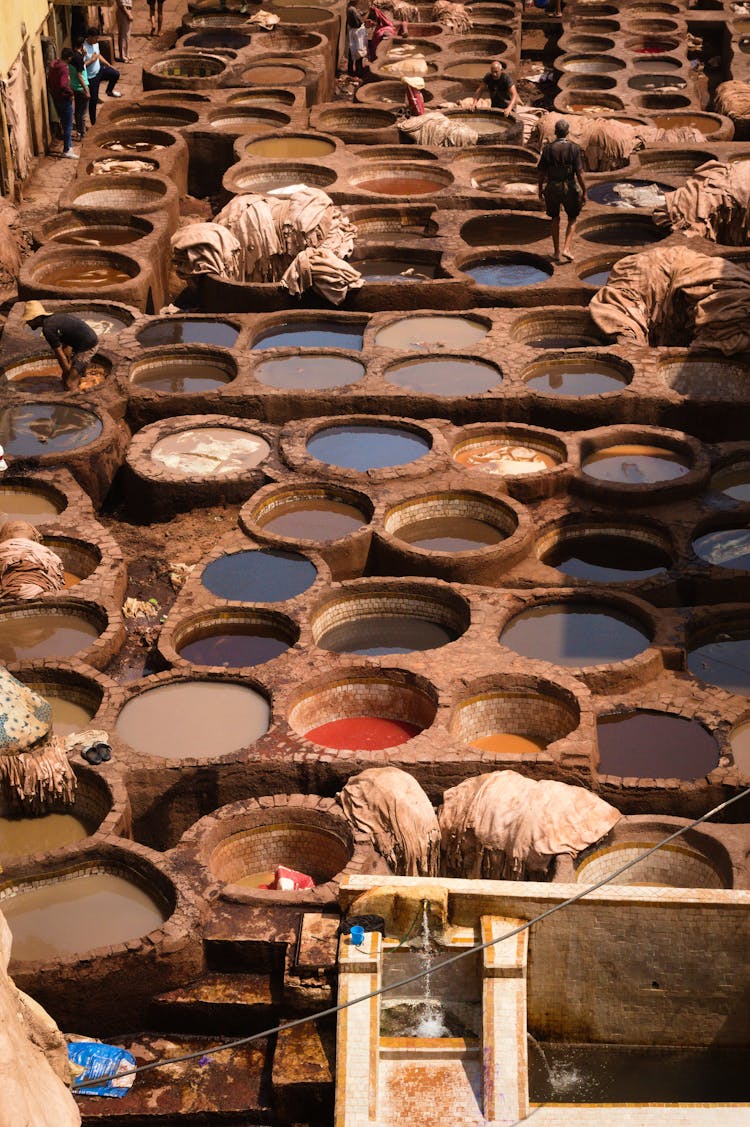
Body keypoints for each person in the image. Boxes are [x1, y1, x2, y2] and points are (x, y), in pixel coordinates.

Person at [537, 118, 586, 263]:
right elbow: (580, 172)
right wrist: (585, 191)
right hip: (570, 187)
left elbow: (541, 173)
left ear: (555, 132)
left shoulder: (547, 149)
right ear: (568, 132)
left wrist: (540, 189)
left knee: (555, 218)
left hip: (552, 188)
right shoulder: (574, 148)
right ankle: (566, 248)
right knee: (572, 218)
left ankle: (557, 252)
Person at [22, 302, 99, 391]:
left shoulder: (48, 329)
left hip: (87, 347)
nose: (27, 323)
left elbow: (59, 355)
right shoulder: (55, 319)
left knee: (69, 384)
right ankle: (81, 376)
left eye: (29, 320)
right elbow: (66, 347)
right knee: (70, 374)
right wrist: (68, 369)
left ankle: (78, 399)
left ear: (37, 318)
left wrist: (67, 375)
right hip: (86, 343)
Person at [0, 521, 65, 602]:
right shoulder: (50, 555)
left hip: (8, 597)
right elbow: (57, 581)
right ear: (33, 535)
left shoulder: (3, 548)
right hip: (41, 595)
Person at [83, 26, 121, 125]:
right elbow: (82, 66)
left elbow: (98, 55)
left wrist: (107, 64)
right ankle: (93, 122)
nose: (97, 40)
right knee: (93, 100)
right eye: (95, 38)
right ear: (90, 37)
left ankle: (109, 91)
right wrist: (91, 60)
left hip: (99, 70)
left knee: (115, 74)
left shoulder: (95, 44)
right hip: (91, 77)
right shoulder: (84, 48)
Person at [47, 50, 77, 159]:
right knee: (68, 125)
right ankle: (67, 150)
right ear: (69, 58)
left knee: (64, 124)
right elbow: (63, 84)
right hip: (64, 99)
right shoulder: (64, 68)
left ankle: (69, 146)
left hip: (56, 99)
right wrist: (70, 93)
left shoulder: (53, 66)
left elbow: (50, 81)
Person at [67, 46, 90, 141]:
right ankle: (83, 134)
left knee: (77, 112)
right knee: (83, 114)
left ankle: (79, 132)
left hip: (75, 88)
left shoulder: (73, 57)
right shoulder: (79, 58)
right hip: (81, 89)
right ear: (81, 46)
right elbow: (80, 75)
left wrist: (84, 55)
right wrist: (86, 90)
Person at [347, 2, 368, 79]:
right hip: (357, 32)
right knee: (359, 52)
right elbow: (359, 22)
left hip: (354, 32)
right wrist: (365, 18)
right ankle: (358, 72)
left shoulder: (351, 8)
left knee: (353, 51)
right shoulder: (352, 9)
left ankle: (350, 70)